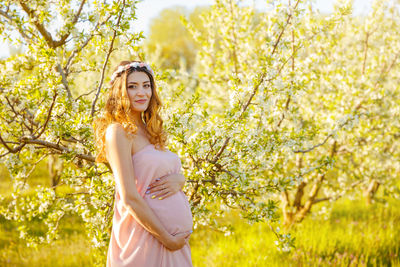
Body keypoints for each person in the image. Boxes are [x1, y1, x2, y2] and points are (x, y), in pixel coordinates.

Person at [93, 60, 193, 267]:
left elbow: (157, 172)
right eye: (132, 86)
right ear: (119, 92)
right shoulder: (118, 132)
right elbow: (129, 196)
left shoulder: (151, 130)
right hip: (145, 240)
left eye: (146, 85)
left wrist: (180, 180)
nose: (141, 93)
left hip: (173, 244)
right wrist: (167, 238)